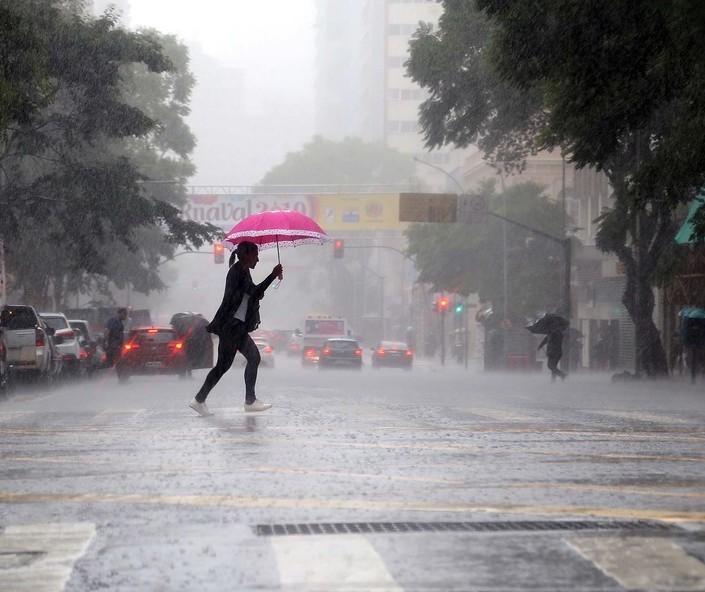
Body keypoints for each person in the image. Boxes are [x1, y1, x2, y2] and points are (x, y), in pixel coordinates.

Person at [189, 241, 283, 416]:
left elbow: (252, 294)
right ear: (246, 255)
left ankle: (200, 399)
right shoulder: (237, 272)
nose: (258, 259)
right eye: (255, 255)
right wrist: (272, 275)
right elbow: (253, 292)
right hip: (232, 326)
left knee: (224, 366)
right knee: (250, 359)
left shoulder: (243, 271)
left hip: (233, 326)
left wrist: (259, 291)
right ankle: (249, 400)